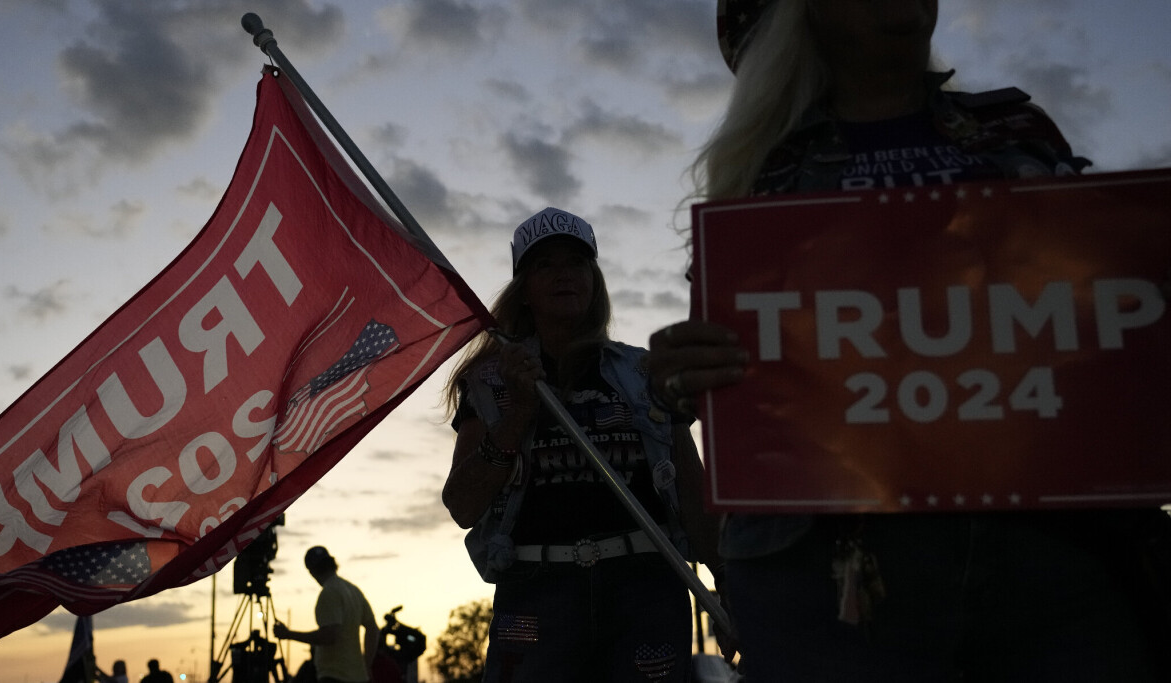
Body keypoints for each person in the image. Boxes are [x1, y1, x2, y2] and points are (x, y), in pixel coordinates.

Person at [647, 0, 1171, 681]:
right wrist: (681, 375)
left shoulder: (1013, 125)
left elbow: (1101, 313)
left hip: (1050, 553)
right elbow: (725, 375)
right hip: (836, 582)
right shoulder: (764, 171)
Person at [441, 207, 728, 682]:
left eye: (576, 262)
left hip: (647, 586)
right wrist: (516, 416)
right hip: (535, 591)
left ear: (594, 281)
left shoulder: (646, 372)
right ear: (525, 290)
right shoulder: (489, 382)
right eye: (544, 265)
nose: (563, 275)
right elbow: (462, 505)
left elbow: (692, 489)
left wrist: (727, 582)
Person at [274, 546, 380, 683]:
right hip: (358, 677)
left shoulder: (329, 593)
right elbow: (373, 629)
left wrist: (288, 634)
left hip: (335, 676)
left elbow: (329, 636)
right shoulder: (353, 590)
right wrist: (366, 665)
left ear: (312, 571)